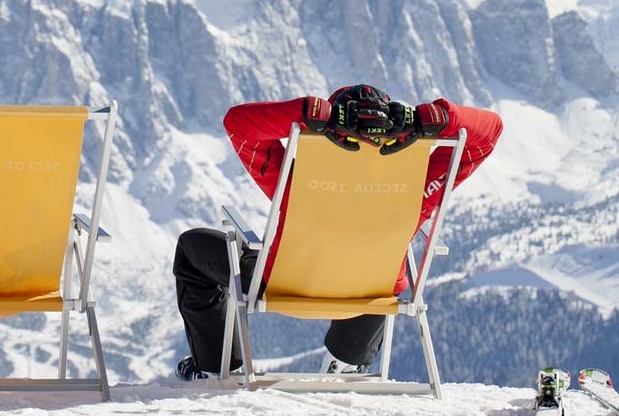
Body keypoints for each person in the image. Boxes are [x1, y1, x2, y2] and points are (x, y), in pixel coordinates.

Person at [173, 84, 504, 379]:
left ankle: (214, 367)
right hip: (372, 294)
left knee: (193, 247)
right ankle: (348, 362)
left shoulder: (294, 174)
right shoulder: (418, 181)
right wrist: (429, 119)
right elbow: (490, 131)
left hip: (285, 283)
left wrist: (313, 114)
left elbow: (238, 124)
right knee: (377, 263)